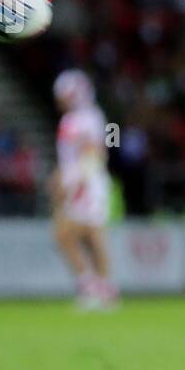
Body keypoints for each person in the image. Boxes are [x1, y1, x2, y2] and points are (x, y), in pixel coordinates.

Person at [50, 70, 118, 310]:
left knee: (90, 232)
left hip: (88, 182)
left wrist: (76, 181)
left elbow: (95, 153)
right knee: (69, 234)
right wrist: (62, 176)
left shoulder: (88, 117)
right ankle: (93, 284)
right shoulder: (76, 118)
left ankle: (99, 286)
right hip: (79, 180)